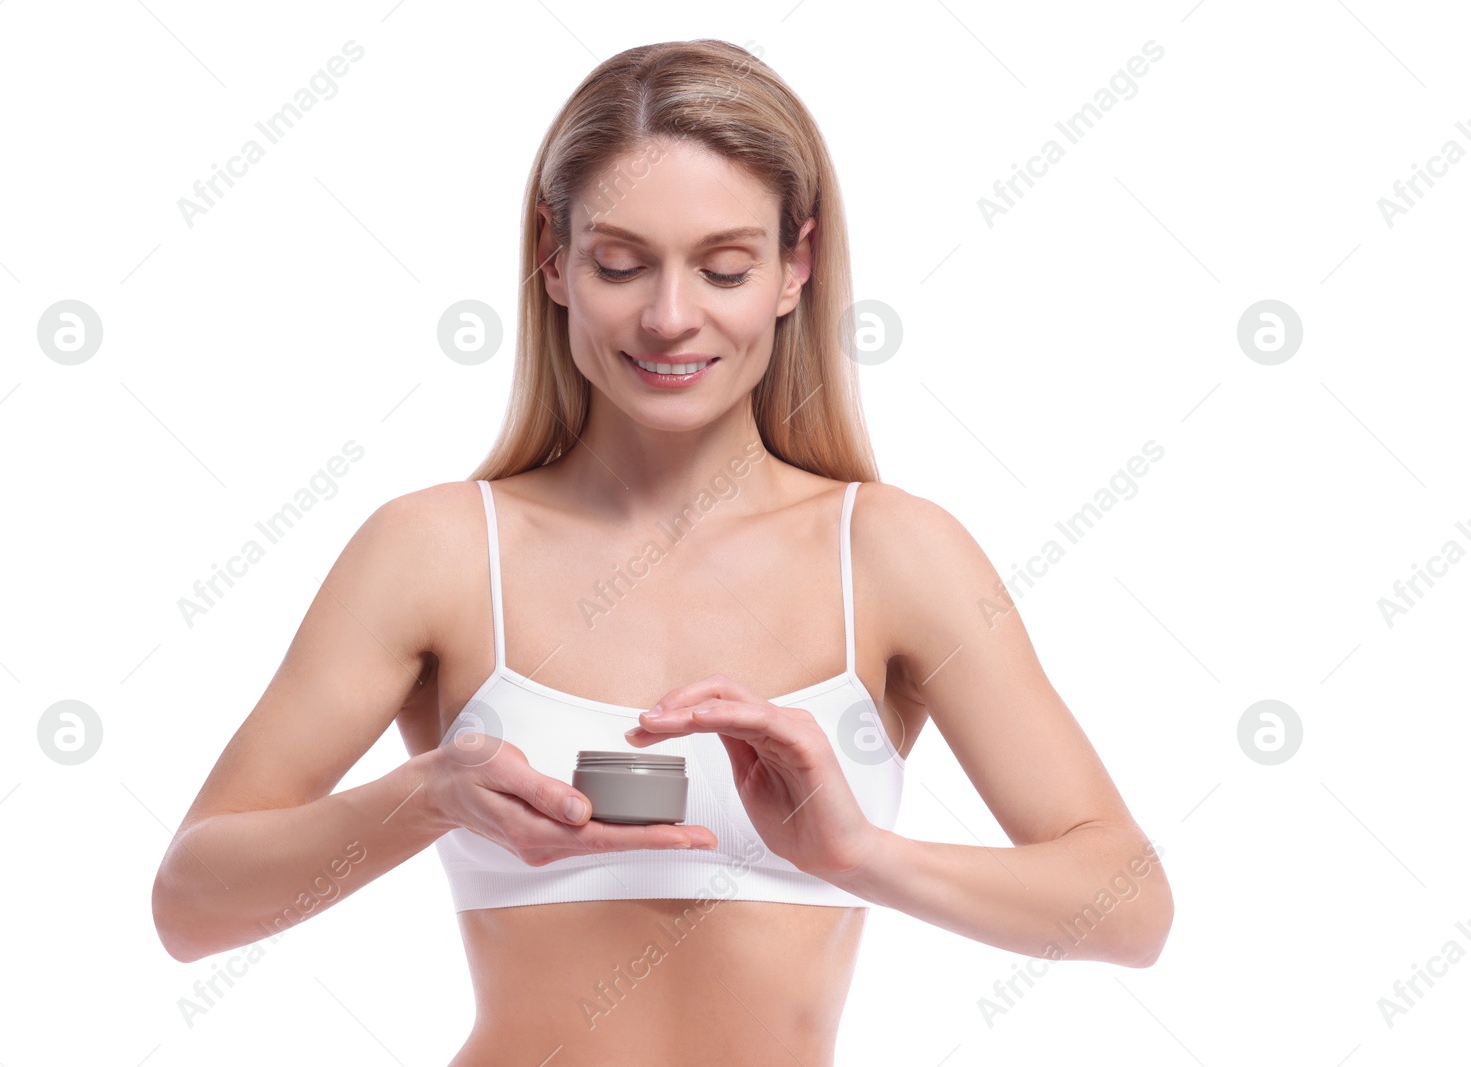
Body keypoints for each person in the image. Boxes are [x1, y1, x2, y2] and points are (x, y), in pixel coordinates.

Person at [151, 38, 1173, 1065]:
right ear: (553, 260)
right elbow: (190, 905)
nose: (670, 316)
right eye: (619, 263)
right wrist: (430, 793)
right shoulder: (435, 551)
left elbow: (1129, 906)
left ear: (795, 266)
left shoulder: (896, 554)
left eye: (723, 266)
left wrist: (857, 852)